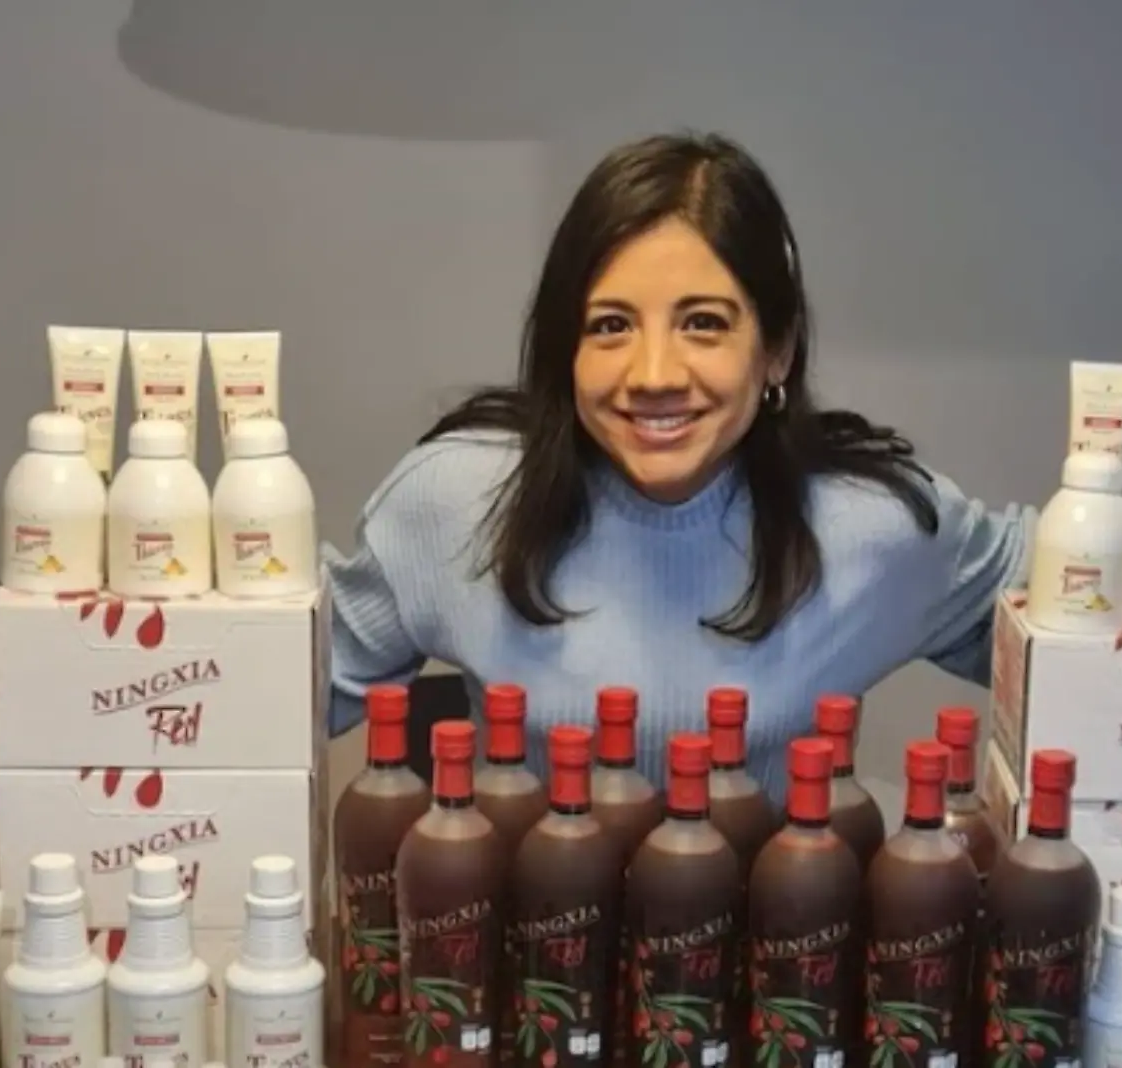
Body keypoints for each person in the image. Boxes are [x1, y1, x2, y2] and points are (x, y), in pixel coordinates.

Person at [326, 131, 1036, 796]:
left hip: (784, 896)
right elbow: (279, 695)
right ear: (566, 351)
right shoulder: (451, 500)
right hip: (521, 897)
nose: (654, 375)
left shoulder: (877, 525)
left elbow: (1074, 606)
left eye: (703, 324)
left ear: (778, 351)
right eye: (611, 326)